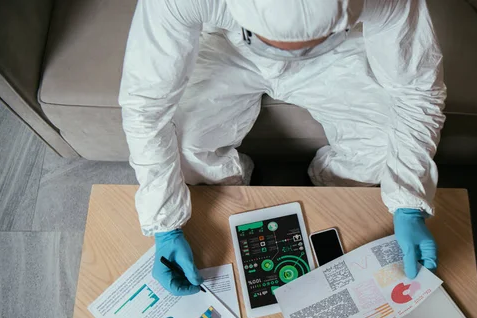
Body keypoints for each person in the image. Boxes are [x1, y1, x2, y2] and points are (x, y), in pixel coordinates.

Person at [119, 0, 446, 295]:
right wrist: (164, 225)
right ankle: (229, 185)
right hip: (229, 45)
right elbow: (146, 107)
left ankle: (331, 188)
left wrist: (409, 202)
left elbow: (417, 93)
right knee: (187, 153)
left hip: (336, 52)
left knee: (378, 152)